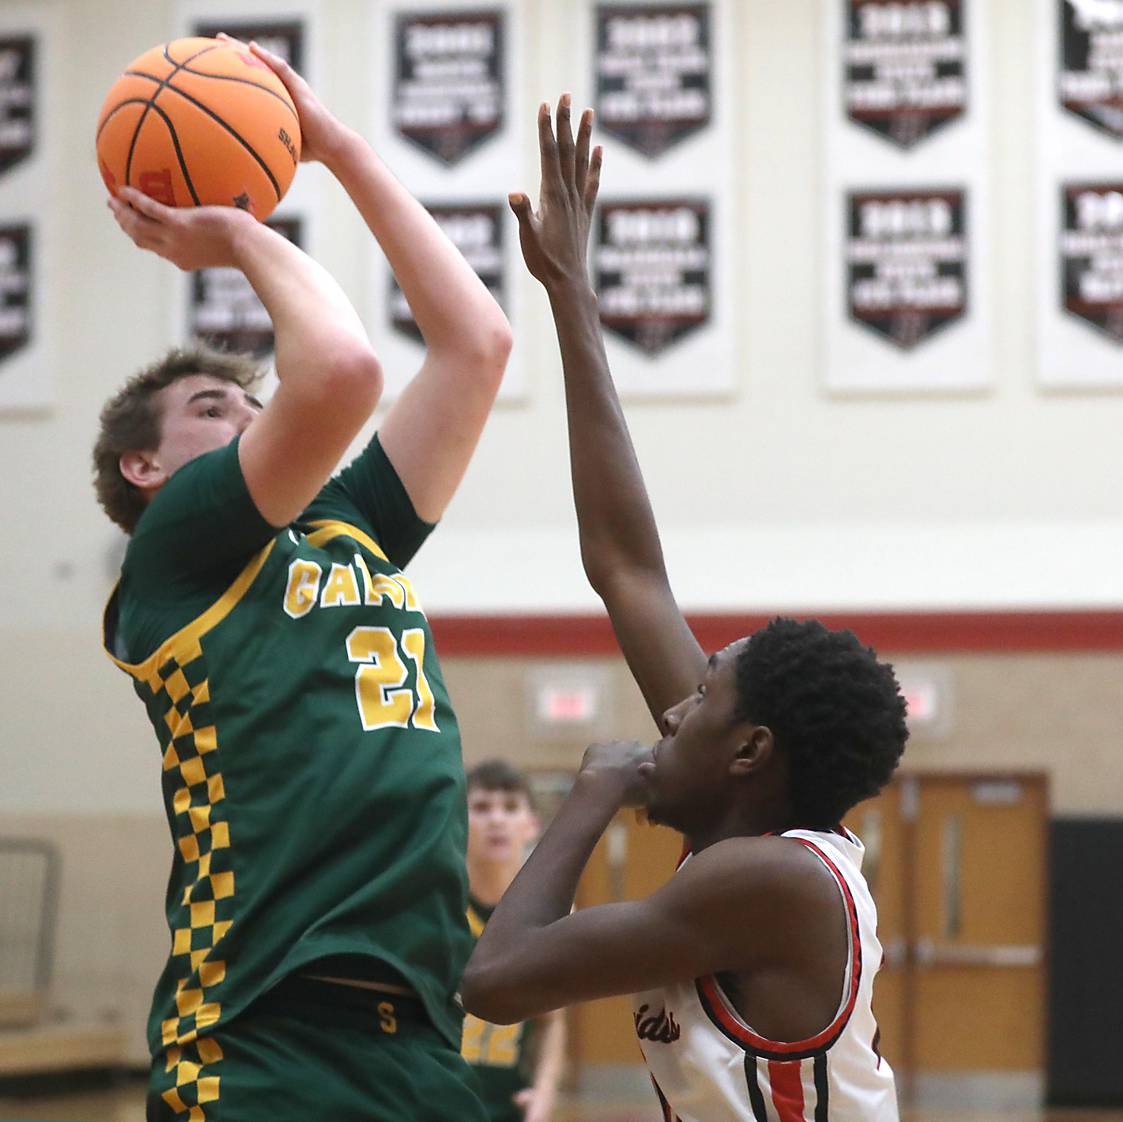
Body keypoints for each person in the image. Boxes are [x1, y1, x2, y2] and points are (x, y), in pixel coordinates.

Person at [462, 96, 908, 1122]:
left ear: (749, 750)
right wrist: (570, 294)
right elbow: (627, 567)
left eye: (701, 694)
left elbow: (497, 977)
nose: (672, 707)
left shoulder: (765, 882)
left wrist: (591, 792)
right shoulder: (746, 814)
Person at [94, 37, 511, 1122]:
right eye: (209, 409)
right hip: (258, 1033)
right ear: (146, 468)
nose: (246, 413)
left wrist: (334, 146)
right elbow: (343, 372)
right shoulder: (176, 552)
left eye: (247, 401)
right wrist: (234, 229)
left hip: (423, 1027)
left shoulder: (347, 526)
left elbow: (475, 344)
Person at [463, 761, 567, 1122]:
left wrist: (544, 1091)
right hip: (438, 1100)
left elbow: (551, 1021)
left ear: (531, 824)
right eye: (481, 808)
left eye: (510, 808)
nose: (496, 820)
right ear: (459, 823)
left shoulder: (543, 915)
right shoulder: (440, 906)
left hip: (508, 1106)